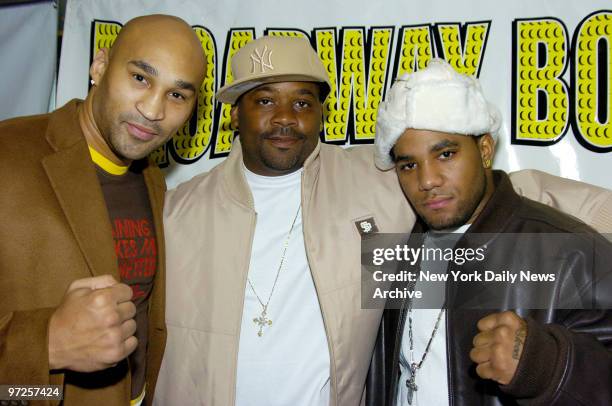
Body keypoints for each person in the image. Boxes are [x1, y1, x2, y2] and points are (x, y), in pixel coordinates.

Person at [155, 37, 611, 405]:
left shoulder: (369, 182)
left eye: (302, 103)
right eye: (265, 100)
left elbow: (499, 190)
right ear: (235, 114)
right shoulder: (178, 209)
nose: (284, 119)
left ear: (321, 114)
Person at [368, 58, 612, 405]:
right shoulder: (400, 248)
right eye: (409, 165)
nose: (427, 181)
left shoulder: (570, 250)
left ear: (485, 150)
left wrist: (546, 367)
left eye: (446, 154)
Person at [0, 14, 206, 405]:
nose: (153, 109)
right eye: (141, 78)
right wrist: (44, 347)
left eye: (177, 95)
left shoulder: (152, 181)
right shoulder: (7, 153)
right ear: (99, 65)